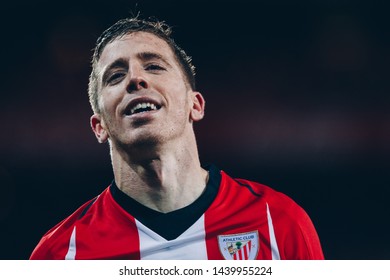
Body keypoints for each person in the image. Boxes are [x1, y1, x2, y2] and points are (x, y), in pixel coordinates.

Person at [30, 15, 324, 260]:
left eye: (154, 66)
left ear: (194, 105)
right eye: (115, 76)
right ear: (99, 126)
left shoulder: (280, 222)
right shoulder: (58, 254)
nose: (135, 79)